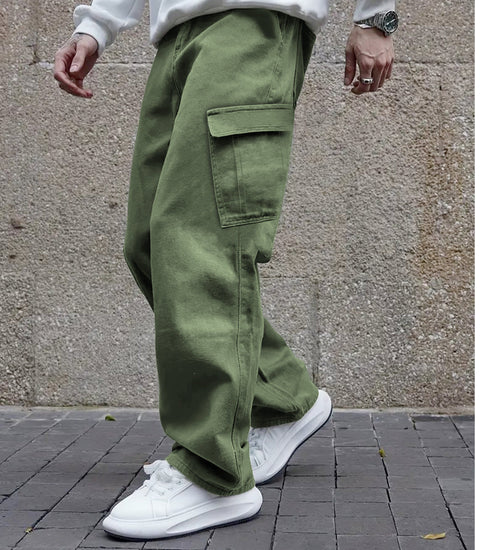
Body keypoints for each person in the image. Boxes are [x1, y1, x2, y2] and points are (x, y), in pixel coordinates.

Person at [54, 0, 396, 540]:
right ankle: (281, 397)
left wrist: (377, 18)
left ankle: (213, 471)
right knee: (150, 243)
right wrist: (97, 24)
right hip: (177, 33)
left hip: (250, 23)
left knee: (202, 242)